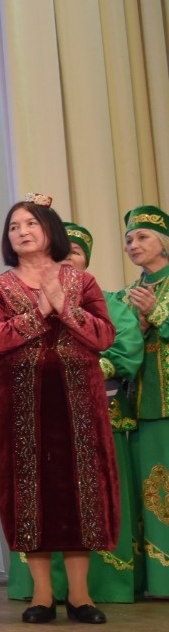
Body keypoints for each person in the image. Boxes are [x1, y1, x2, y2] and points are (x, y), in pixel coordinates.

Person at [0, 198, 119, 625]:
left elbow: (104, 336)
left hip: (79, 402)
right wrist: (40, 312)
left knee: (80, 491)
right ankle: (41, 595)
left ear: (50, 229)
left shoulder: (82, 281)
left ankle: (80, 595)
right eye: (13, 226)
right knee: (28, 491)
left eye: (31, 224)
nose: (21, 232)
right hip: (20, 403)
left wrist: (66, 308)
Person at [6, 222, 142, 605]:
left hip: (95, 412)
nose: (66, 259)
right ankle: (42, 592)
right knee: (36, 500)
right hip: (34, 413)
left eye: (75, 252)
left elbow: (122, 347)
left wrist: (83, 368)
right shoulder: (15, 294)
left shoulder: (105, 299)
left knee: (89, 499)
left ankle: (93, 591)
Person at [123, 205, 169, 598]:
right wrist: (136, 326)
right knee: (153, 494)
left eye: (142, 236)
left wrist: (158, 314)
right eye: (128, 239)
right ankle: (158, 580)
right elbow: (120, 349)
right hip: (143, 406)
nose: (133, 244)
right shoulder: (128, 295)